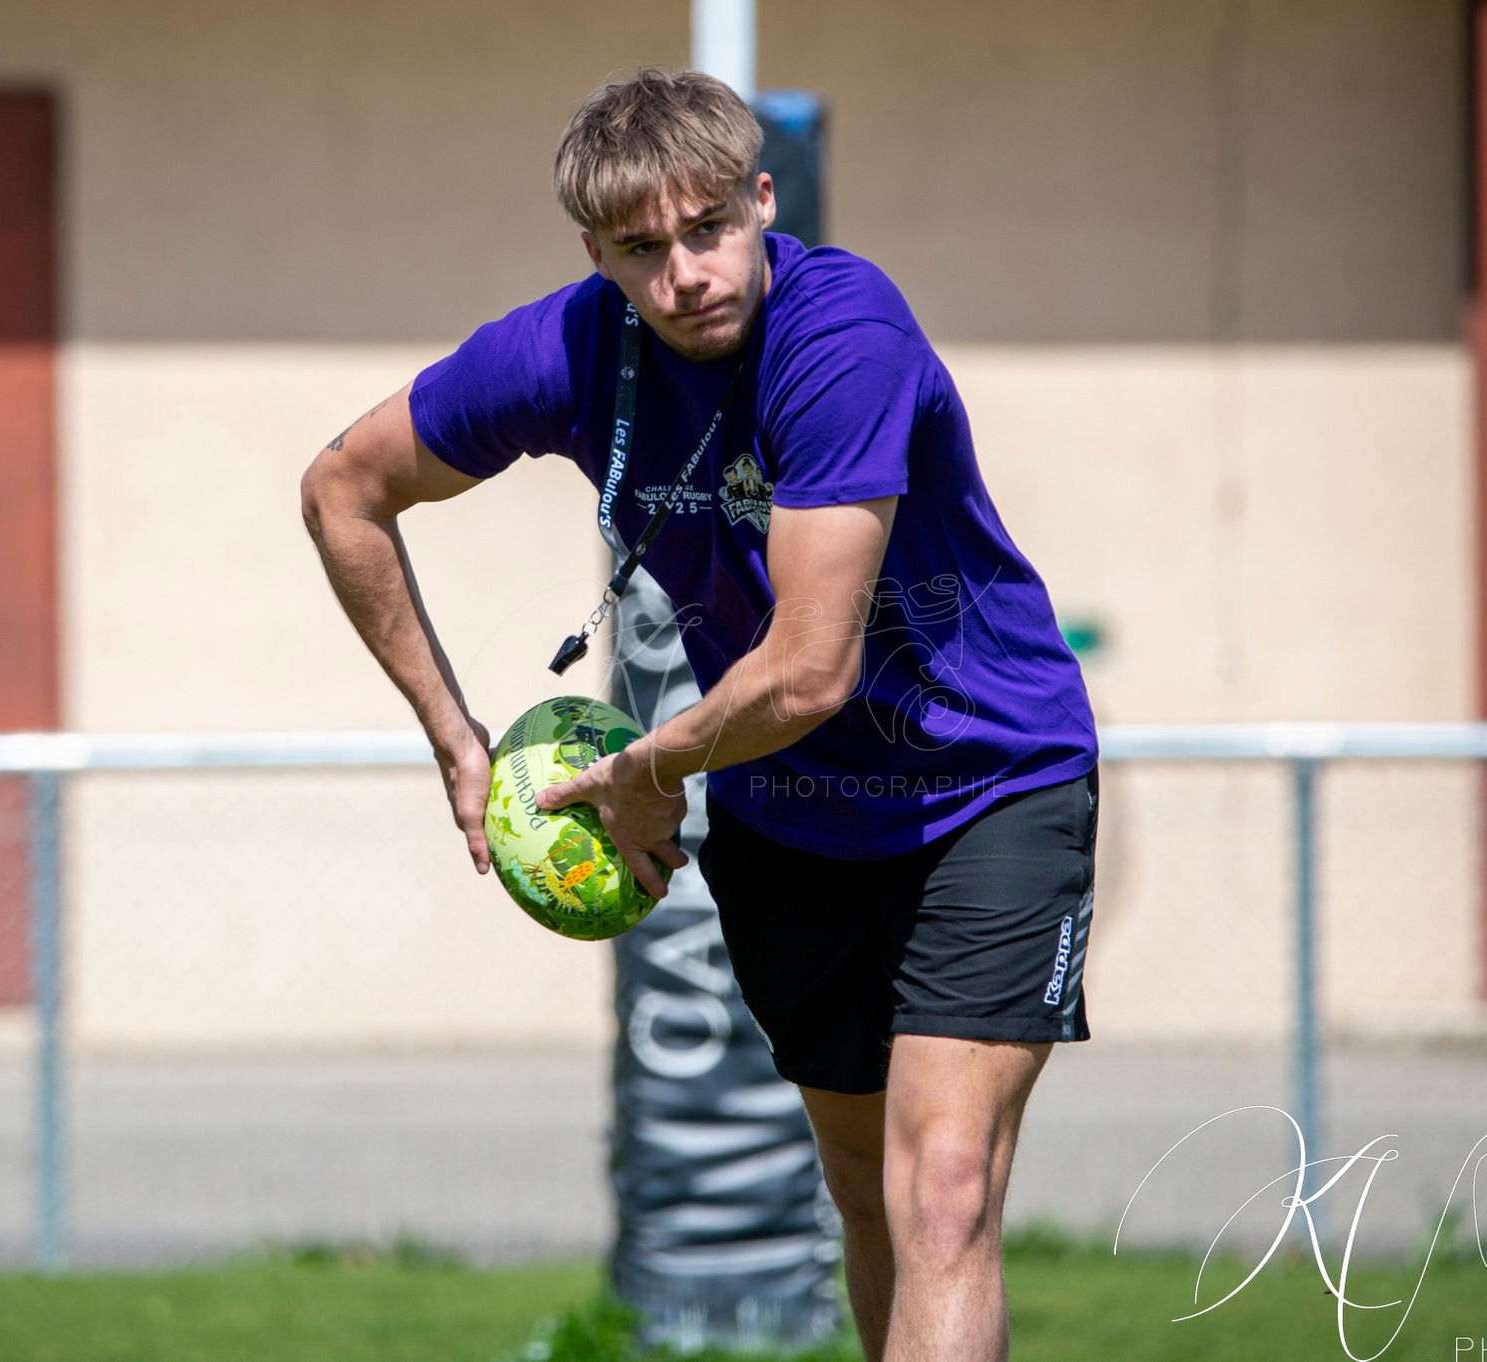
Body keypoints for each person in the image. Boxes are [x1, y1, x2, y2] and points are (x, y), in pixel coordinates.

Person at [300, 67, 1098, 1362]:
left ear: (762, 202)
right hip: (791, 817)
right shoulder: (564, 352)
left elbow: (809, 668)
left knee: (944, 1181)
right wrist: (456, 741)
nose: (687, 273)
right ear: (597, 256)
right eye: (642, 249)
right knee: (868, 1193)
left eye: (711, 228)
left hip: (986, 784)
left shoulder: (845, 337)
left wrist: (651, 767)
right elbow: (343, 489)